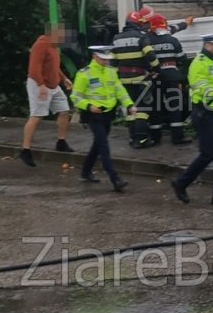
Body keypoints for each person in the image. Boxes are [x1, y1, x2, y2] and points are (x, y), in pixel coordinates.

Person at [171, 34, 213, 206]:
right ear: (208, 45)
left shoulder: (212, 63)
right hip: (204, 114)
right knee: (207, 154)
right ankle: (181, 183)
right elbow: (202, 89)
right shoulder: (199, 64)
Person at [71, 46, 137, 192]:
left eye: (108, 59)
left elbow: (120, 90)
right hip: (93, 115)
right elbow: (75, 97)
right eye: (103, 58)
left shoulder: (111, 72)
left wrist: (129, 104)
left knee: (98, 145)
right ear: (94, 56)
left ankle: (85, 171)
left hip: (108, 114)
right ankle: (115, 179)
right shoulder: (84, 74)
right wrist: (88, 106)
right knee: (104, 146)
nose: (106, 61)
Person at [20, 23, 74, 167]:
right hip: (39, 84)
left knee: (64, 111)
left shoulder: (55, 47)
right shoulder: (41, 45)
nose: (63, 37)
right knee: (37, 115)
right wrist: (41, 85)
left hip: (54, 85)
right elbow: (34, 68)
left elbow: (54, 66)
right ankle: (25, 150)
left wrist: (64, 78)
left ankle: (61, 141)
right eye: (61, 34)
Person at [112, 10, 160, 148]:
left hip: (123, 80)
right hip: (140, 79)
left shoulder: (116, 38)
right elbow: (150, 56)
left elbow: (113, 61)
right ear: (137, 23)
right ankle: (142, 140)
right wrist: (156, 69)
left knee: (130, 110)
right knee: (143, 110)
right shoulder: (141, 37)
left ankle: (133, 138)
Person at [147, 13, 191, 145]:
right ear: (164, 25)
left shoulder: (147, 41)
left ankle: (155, 138)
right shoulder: (173, 40)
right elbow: (182, 60)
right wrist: (181, 80)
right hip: (172, 77)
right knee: (175, 106)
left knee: (156, 107)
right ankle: (177, 137)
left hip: (156, 78)